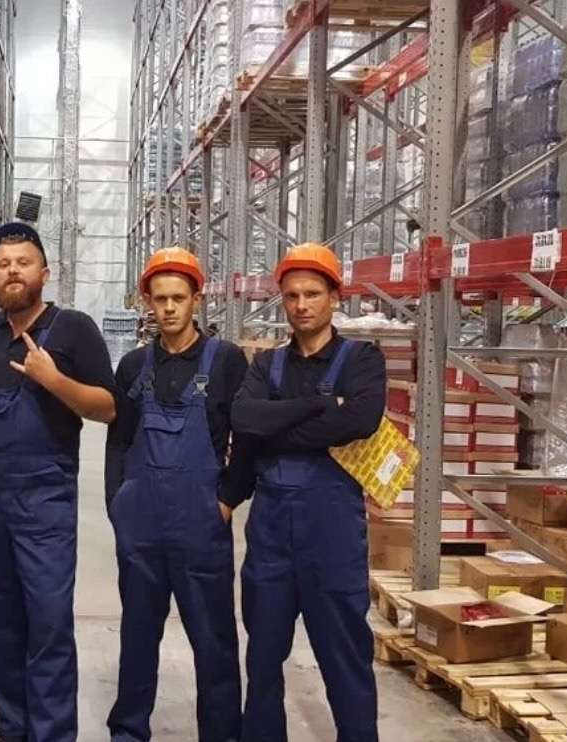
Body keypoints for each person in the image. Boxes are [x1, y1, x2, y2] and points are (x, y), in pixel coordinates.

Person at [0, 222, 116, 742]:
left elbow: (108, 408)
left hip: (45, 501)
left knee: (48, 623)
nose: (12, 272)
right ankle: (13, 726)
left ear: (45, 272)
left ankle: (51, 733)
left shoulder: (73, 329)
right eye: (3, 264)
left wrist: (53, 379)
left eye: (23, 262)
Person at [231, 243, 385, 742]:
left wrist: (276, 427)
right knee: (262, 657)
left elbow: (361, 419)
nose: (302, 305)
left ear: (335, 297)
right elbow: (244, 418)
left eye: (313, 294)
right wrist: (320, 408)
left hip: (332, 538)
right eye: (292, 295)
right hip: (271, 539)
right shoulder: (266, 364)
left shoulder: (362, 359)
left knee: (345, 658)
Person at [104, 248, 252, 742]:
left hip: (201, 526)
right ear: (148, 301)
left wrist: (227, 499)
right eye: (160, 298)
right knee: (137, 637)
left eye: (178, 298)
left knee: (214, 642)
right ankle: (128, 731)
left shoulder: (226, 361)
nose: (168, 308)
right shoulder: (133, 366)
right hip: (141, 527)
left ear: (196, 300)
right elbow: (119, 441)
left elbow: (247, 439)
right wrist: (118, 502)